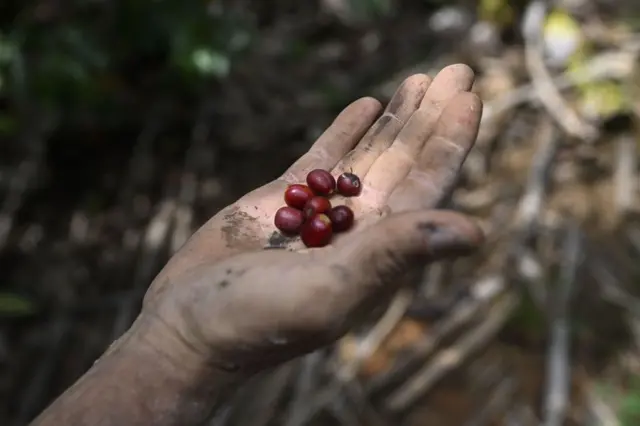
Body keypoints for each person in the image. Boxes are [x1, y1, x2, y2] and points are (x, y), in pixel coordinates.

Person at [30, 64, 484, 426]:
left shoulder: (323, 205)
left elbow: (321, 207)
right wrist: (175, 343)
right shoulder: (316, 204)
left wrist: (173, 348)